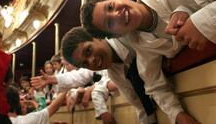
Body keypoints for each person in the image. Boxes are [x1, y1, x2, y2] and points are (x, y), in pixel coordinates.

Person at [60, 27, 199, 124]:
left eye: (88, 51)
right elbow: (139, 104)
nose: (92, 61)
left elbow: (151, 77)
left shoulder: (128, 35)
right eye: (85, 64)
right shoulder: (113, 72)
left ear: (97, 37)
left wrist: (177, 114)